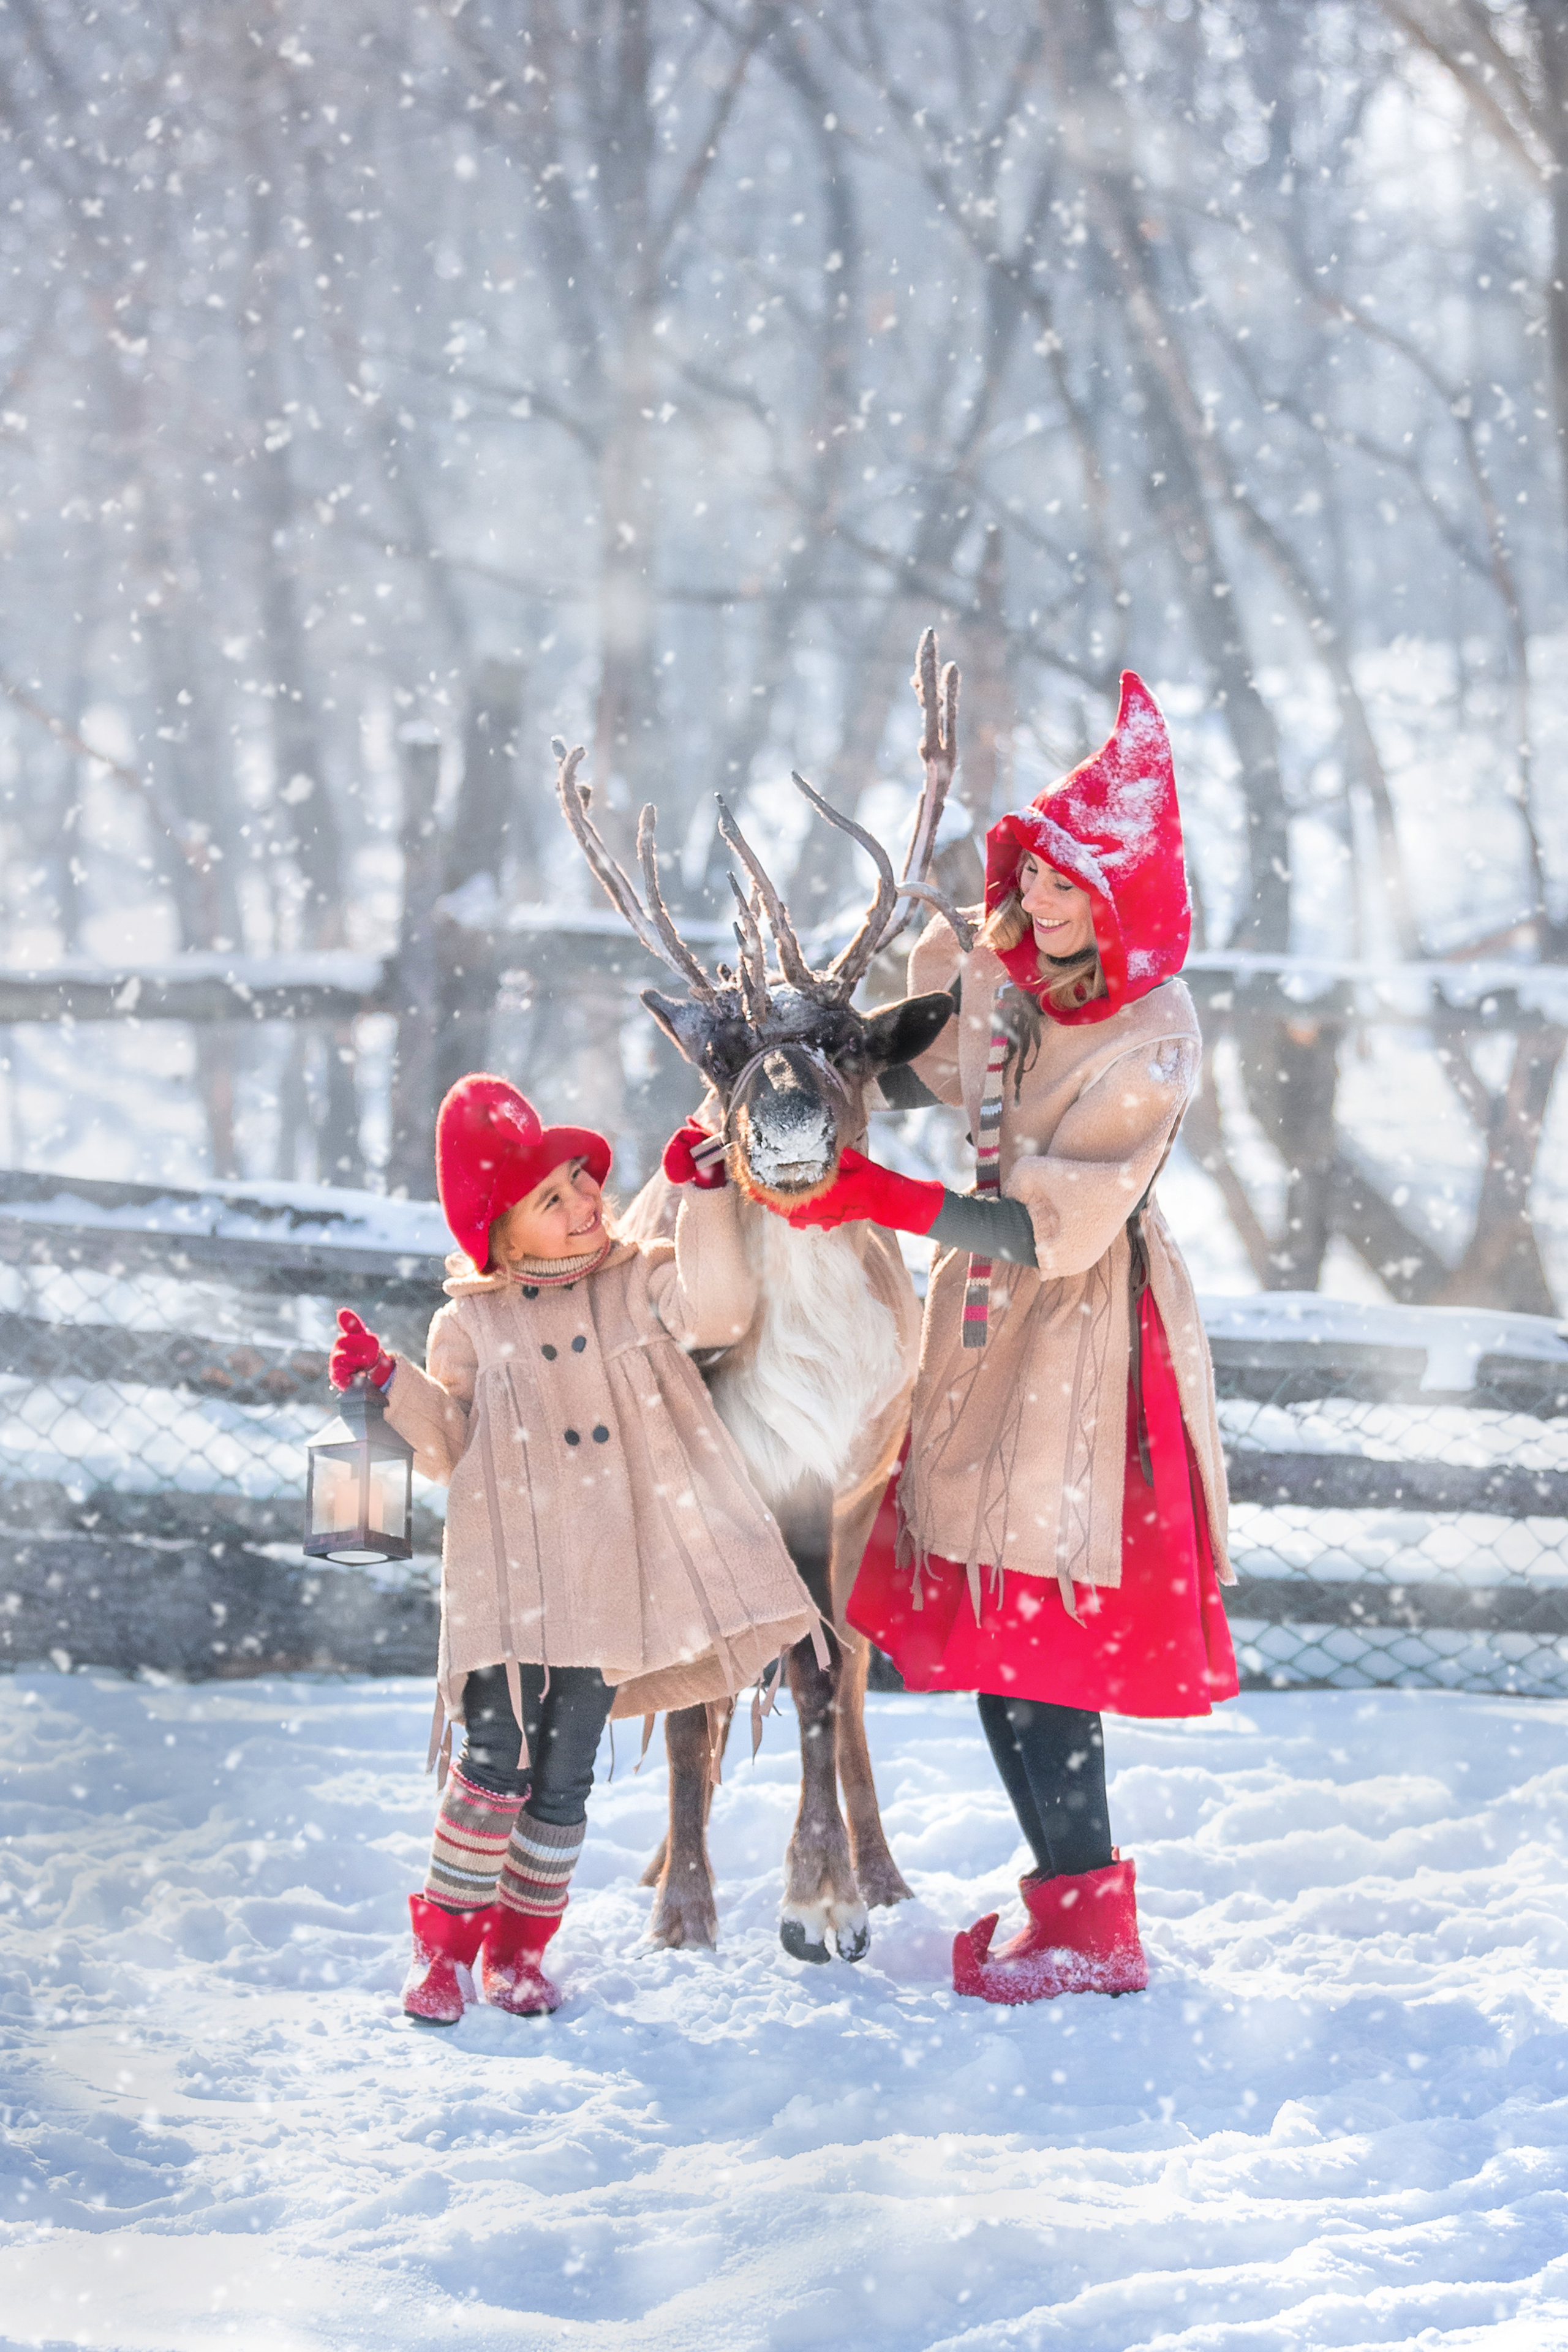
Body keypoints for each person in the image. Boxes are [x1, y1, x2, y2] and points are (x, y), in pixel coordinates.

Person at [756, 671, 1237, 2005]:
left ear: (1125, 896)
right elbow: (934, 1077)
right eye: (1032, 873)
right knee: (992, 1630)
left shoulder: (1152, 1031)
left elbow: (1054, 1227)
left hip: (1084, 1340)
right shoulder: (1011, 975)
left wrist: (884, 1200)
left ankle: (1094, 1930)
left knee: (1044, 1632)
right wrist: (779, 1101)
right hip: (983, 1324)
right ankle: (1068, 1912)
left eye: (1071, 883)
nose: (1041, 900)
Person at [330, 1076, 821, 2025]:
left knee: (562, 1778)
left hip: (605, 1585)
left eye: (582, 1181)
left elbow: (719, 1312)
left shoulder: (635, 1284)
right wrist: (389, 1387)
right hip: (507, 1585)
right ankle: (445, 1950)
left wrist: (706, 1200)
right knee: (494, 1763)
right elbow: (449, 1447)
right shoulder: (470, 1324)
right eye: (551, 1198)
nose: (585, 1201)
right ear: (501, 1235)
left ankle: (520, 1950)